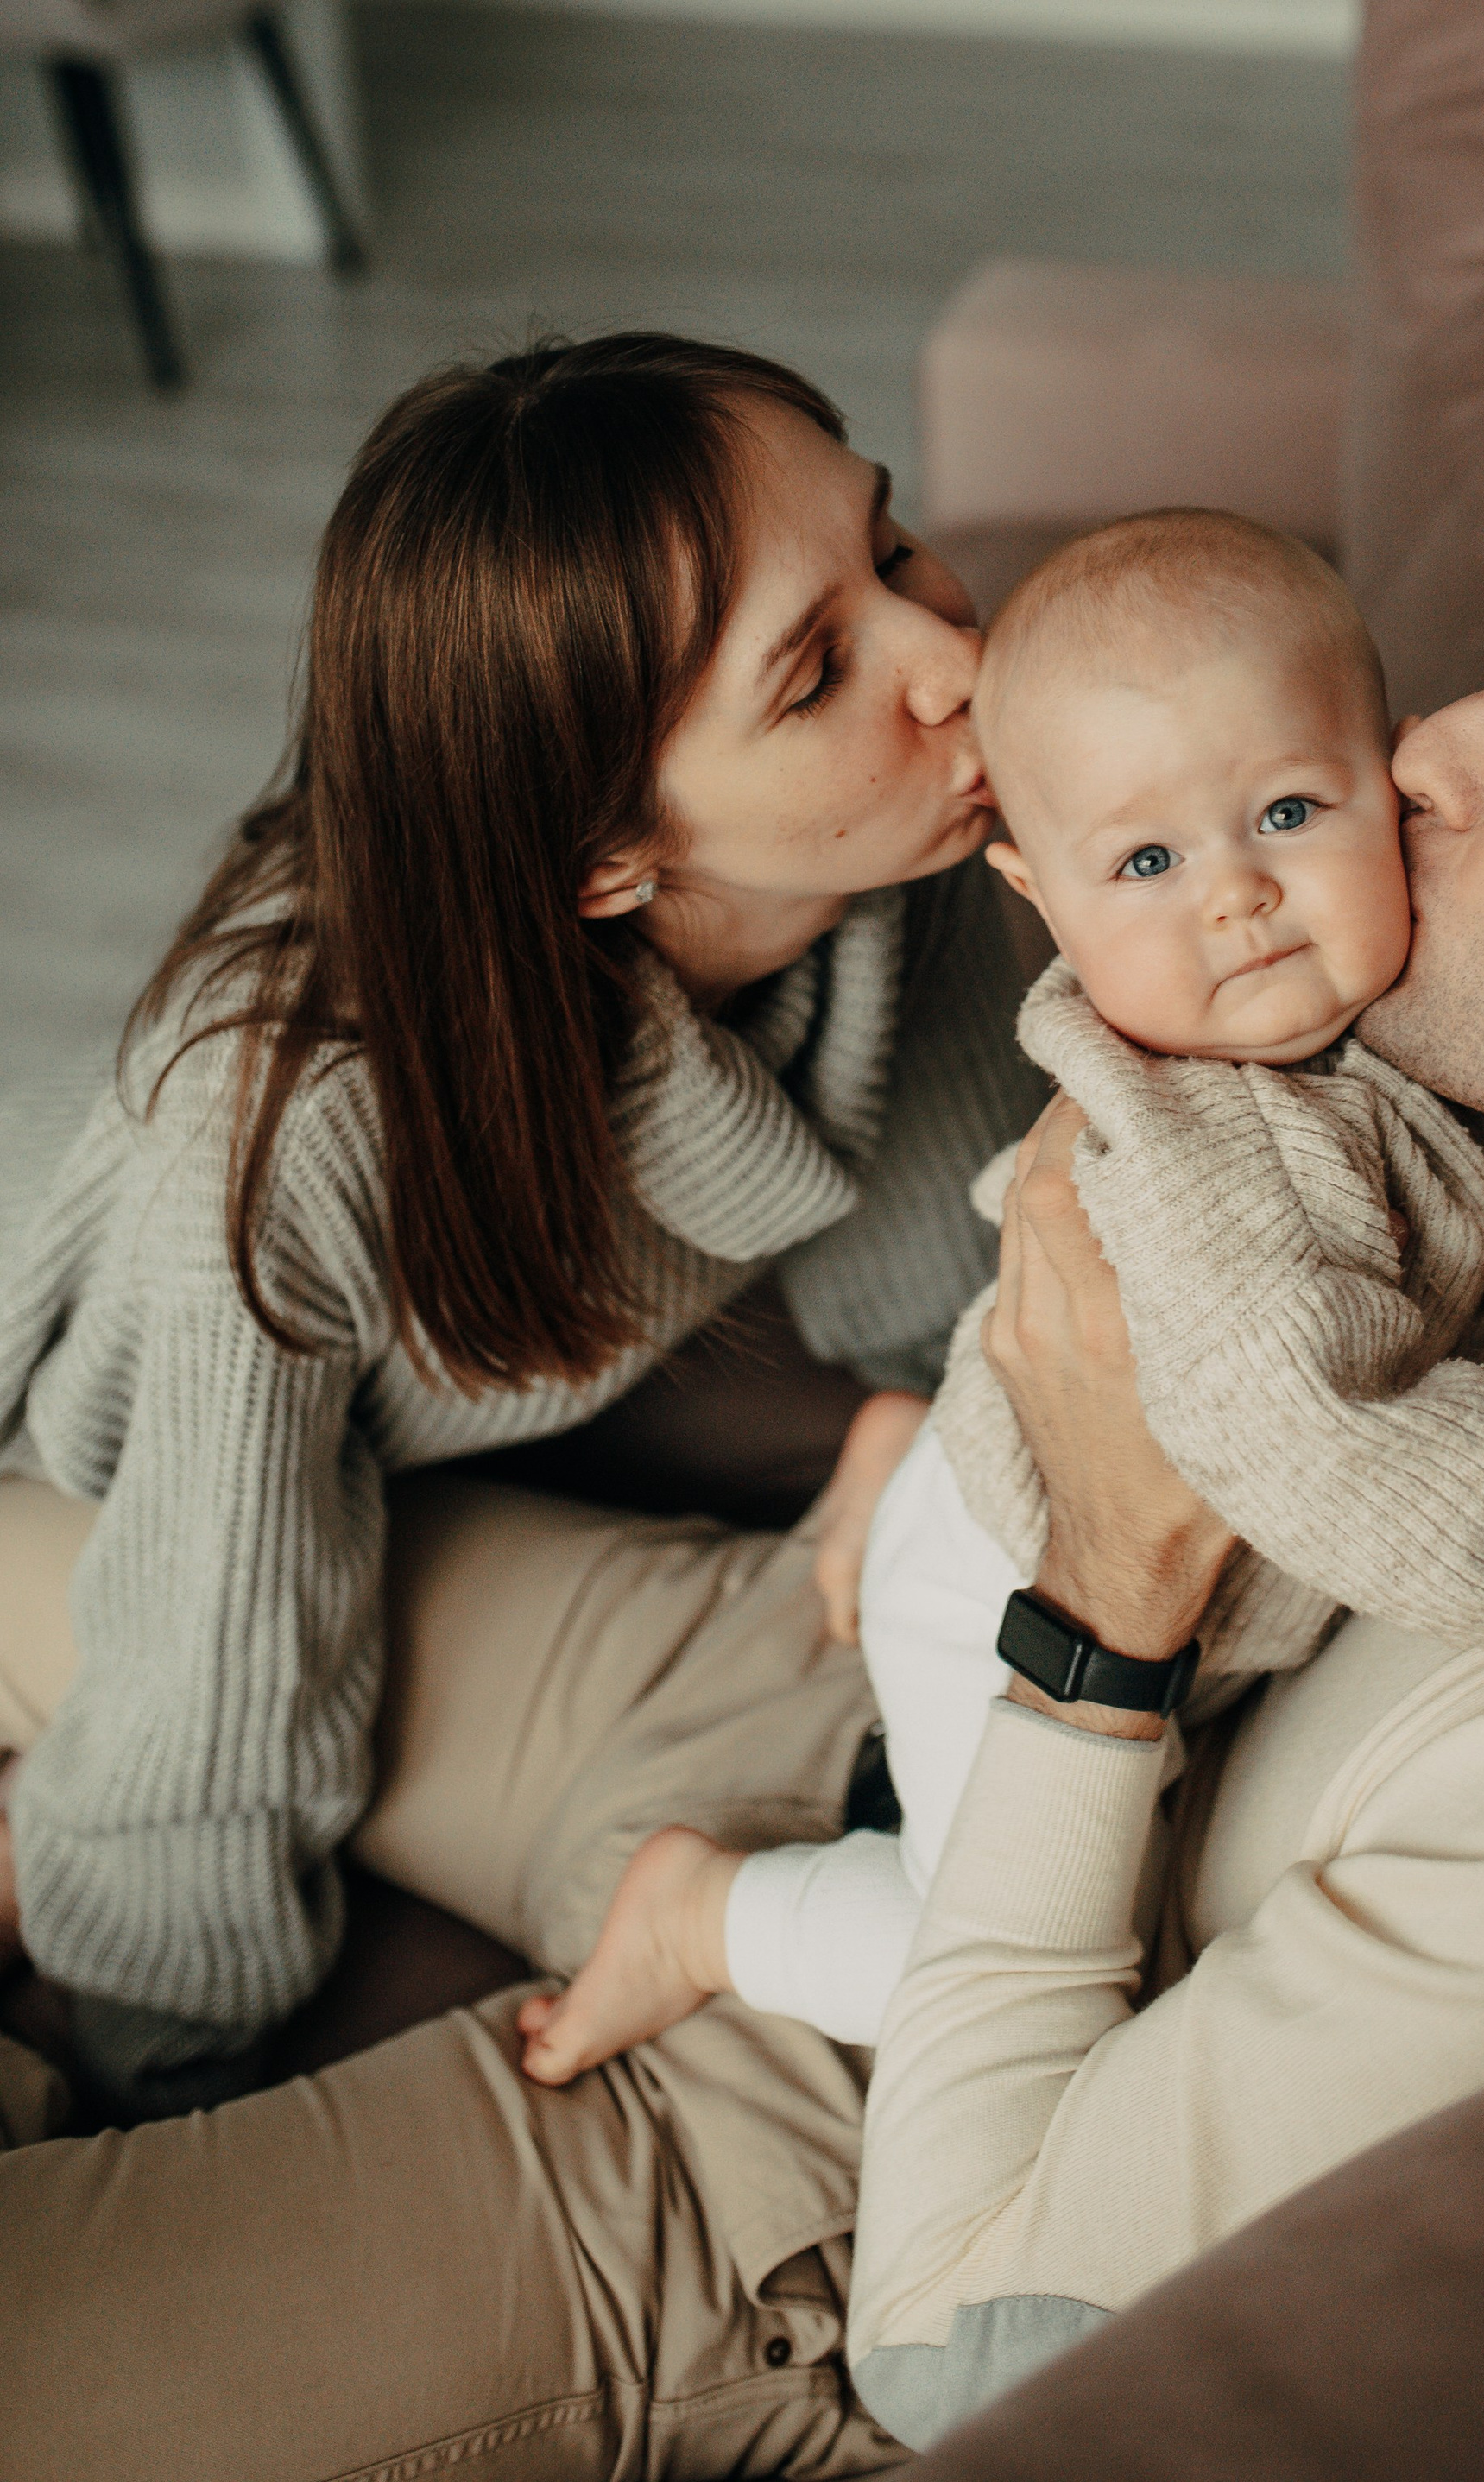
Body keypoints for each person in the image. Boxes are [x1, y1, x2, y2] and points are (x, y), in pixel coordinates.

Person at [0, 474, 1484, 2482]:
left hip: (844, 2118)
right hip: (850, 1653)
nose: (1422, 752)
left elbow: (970, 2332)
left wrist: (1110, 1607)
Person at [513, 508, 1484, 2075]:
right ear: (1037, 892)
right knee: (979, 1964)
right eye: (1149, 862)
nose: (1235, 898)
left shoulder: (1409, 1021)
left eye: (1291, 810)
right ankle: (711, 1916)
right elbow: (1315, 1434)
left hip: (1117, 1562)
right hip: (994, 1593)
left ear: (1391, 782)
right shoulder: (1216, 1148)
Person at [0, 331, 1042, 2112]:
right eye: (816, 673)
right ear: (605, 858)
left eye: (888, 546)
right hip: (126, 1457)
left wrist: (922, 1417)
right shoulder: (302, 1125)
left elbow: (944, 1268)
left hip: (500, 1398)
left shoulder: (890, 850)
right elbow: (218, 1646)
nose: (955, 654)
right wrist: (162, 2051)